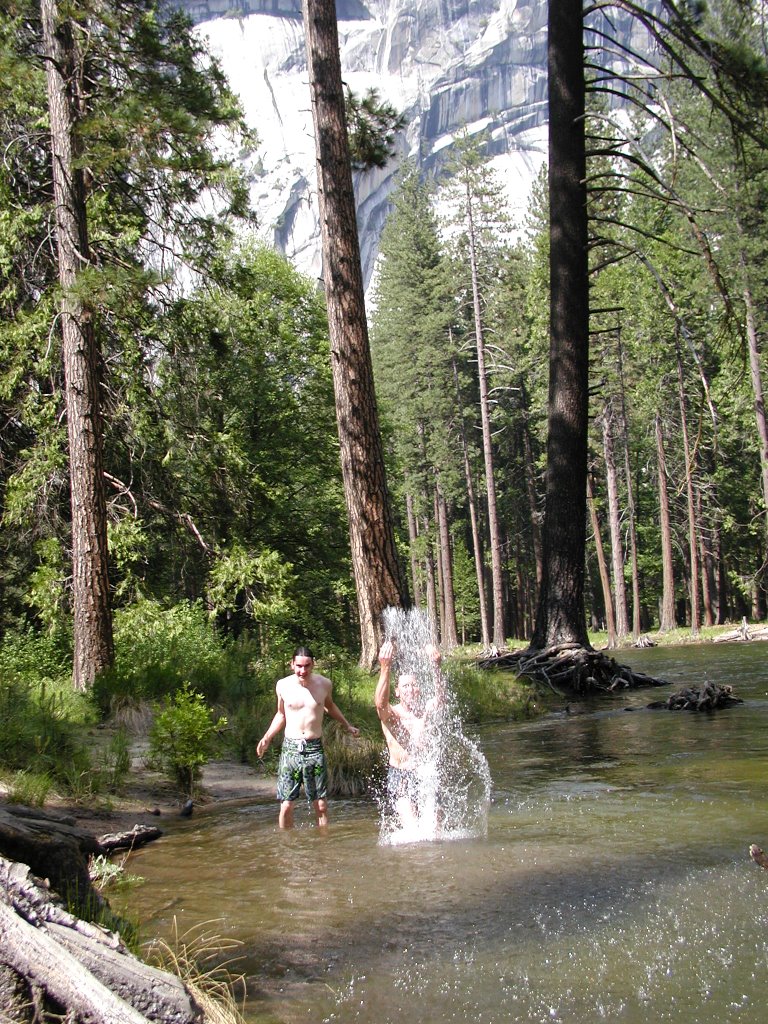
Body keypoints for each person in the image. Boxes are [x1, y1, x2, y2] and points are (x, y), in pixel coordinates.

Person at [257, 646, 359, 828]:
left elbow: (330, 706)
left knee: (321, 805)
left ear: (313, 664)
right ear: (292, 664)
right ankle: (286, 847)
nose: (302, 671)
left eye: (307, 666)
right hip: (291, 750)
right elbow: (280, 715)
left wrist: (347, 725)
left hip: (314, 748)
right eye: (298, 666)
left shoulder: (324, 684)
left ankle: (323, 850)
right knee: (287, 805)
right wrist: (267, 737)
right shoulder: (283, 685)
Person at [374, 639, 444, 829]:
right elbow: (380, 705)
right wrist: (385, 667)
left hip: (426, 771)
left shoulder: (427, 710)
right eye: (405, 686)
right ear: (397, 692)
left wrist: (437, 666)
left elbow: (441, 699)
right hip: (400, 773)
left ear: (419, 689)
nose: (410, 690)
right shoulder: (392, 715)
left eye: (413, 685)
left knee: (435, 830)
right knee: (412, 830)